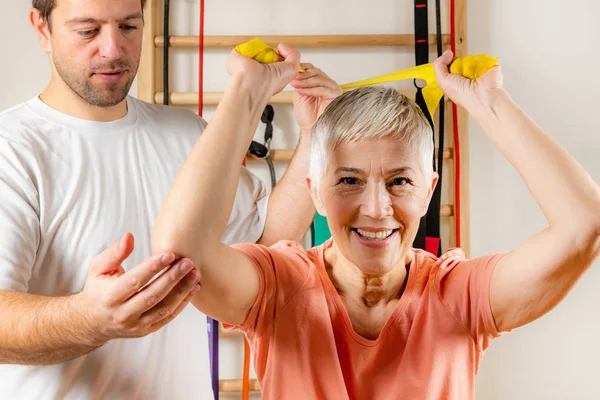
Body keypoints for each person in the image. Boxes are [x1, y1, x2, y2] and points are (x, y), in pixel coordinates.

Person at [152, 46, 600, 400]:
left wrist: (487, 102)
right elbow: (180, 250)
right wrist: (246, 91)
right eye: (349, 180)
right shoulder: (279, 286)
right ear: (315, 192)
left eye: (400, 181)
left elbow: (584, 225)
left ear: (428, 190)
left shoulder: (458, 295)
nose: (376, 207)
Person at [0, 0, 340, 398]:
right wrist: (92, 319)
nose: (112, 48)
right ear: (42, 28)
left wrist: (318, 133)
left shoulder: (187, 134)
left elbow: (262, 243)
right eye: (88, 30)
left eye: (128, 27)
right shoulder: (12, 149)